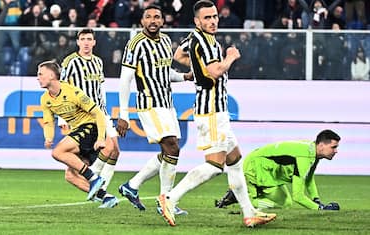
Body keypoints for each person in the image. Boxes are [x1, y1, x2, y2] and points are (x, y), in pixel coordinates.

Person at [156, 0, 276, 228]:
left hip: (215, 109)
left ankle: (249, 212)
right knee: (214, 165)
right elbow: (214, 72)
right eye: (207, 18)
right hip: (211, 110)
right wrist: (230, 56)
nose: (212, 21)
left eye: (214, 16)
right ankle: (170, 198)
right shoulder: (208, 43)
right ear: (197, 21)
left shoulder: (194, 38)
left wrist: (197, 68)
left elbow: (179, 56)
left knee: (235, 161)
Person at [116, 4, 192, 214]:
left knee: (168, 151)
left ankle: (132, 186)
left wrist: (184, 76)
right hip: (149, 103)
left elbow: (164, 72)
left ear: (162, 20)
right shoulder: (135, 44)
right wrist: (123, 115)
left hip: (167, 103)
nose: (152, 21)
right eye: (148, 17)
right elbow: (125, 79)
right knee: (173, 147)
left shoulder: (166, 41)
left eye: (156, 17)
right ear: (142, 21)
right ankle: (166, 201)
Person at [60, 28, 120, 208]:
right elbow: (62, 91)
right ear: (78, 42)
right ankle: (99, 187)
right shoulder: (70, 62)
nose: (86, 42)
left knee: (114, 150)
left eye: (89, 39)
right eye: (83, 39)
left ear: (94, 42)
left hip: (100, 114)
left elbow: (101, 88)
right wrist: (63, 120)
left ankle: (100, 188)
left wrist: (106, 112)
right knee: (73, 171)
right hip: (82, 118)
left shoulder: (98, 62)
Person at [215, 129, 341, 211]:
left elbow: (308, 178)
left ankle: (244, 194)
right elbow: (298, 196)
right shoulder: (305, 156)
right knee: (274, 202)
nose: (336, 151)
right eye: (333, 147)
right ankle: (242, 198)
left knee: (285, 203)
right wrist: (320, 208)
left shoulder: (312, 151)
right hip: (257, 167)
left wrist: (316, 199)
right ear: (321, 145)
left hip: (266, 169)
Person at [37, 60, 106, 202]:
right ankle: (106, 197)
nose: (37, 78)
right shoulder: (45, 99)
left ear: (51, 75)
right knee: (70, 175)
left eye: (40, 74)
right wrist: (48, 137)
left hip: (90, 128)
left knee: (57, 152)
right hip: (80, 134)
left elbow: (98, 113)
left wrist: (101, 138)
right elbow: (49, 122)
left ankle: (93, 178)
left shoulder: (73, 92)